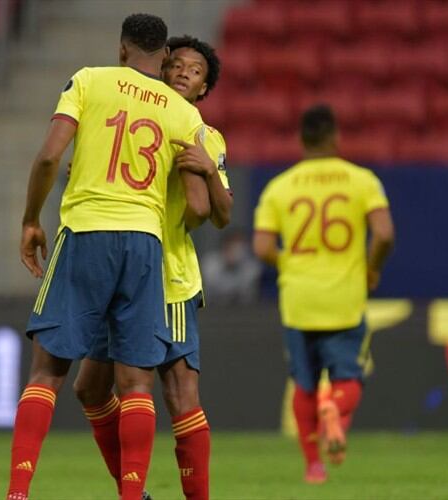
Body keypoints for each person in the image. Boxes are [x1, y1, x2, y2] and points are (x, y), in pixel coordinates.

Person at [7, 14, 205, 500]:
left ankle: (16, 493)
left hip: (86, 232)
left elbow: (50, 155)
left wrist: (32, 218)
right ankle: (132, 496)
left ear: (122, 50)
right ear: (163, 59)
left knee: (48, 372)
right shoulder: (183, 114)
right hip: (145, 244)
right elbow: (198, 206)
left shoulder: (89, 80)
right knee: (136, 383)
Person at [71, 35, 231, 500]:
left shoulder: (203, 135)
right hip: (118, 273)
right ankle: (133, 491)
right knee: (90, 388)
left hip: (169, 278)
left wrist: (205, 170)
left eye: (195, 70)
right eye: (176, 64)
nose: (183, 72)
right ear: (160, 70)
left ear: (204, 89)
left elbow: (217, 214)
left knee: (180, 396)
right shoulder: (140, 118)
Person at [252, 104, 395, 484]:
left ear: (301, 140)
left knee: (303, 385)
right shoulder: (361, 180)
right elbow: (384, 233)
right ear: (335, 137)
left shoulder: (279, 187)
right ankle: (335, 406)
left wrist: (290, 264)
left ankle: (313, 466)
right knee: (349, 377)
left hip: (298, 300)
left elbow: (262, 246)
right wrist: (372, 267)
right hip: (345, 299)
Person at [200, 229, 261, 305]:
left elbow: (246, 294)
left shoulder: (252, 268)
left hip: (243, 312)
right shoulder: (209, 264)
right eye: (234, 245)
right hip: (212, 310)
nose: (238, 249)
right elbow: (210, 292)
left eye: (241, 245)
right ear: (225, 246)